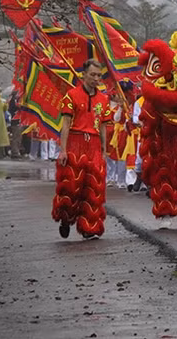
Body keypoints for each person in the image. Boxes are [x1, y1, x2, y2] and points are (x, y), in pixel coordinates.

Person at [52, 59, 113, 240]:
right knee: (71, 187)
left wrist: (104, 149)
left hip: (93, 144)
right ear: (83, 75)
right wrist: (63, 150)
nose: (96, 78)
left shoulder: (104, 99)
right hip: (75, 142)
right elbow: (66, 124)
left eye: (99, 75)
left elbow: (102, 126)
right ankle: (66, 218)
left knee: (93, 187)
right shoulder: (71, 96)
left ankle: (89, 227)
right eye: (93, 75)